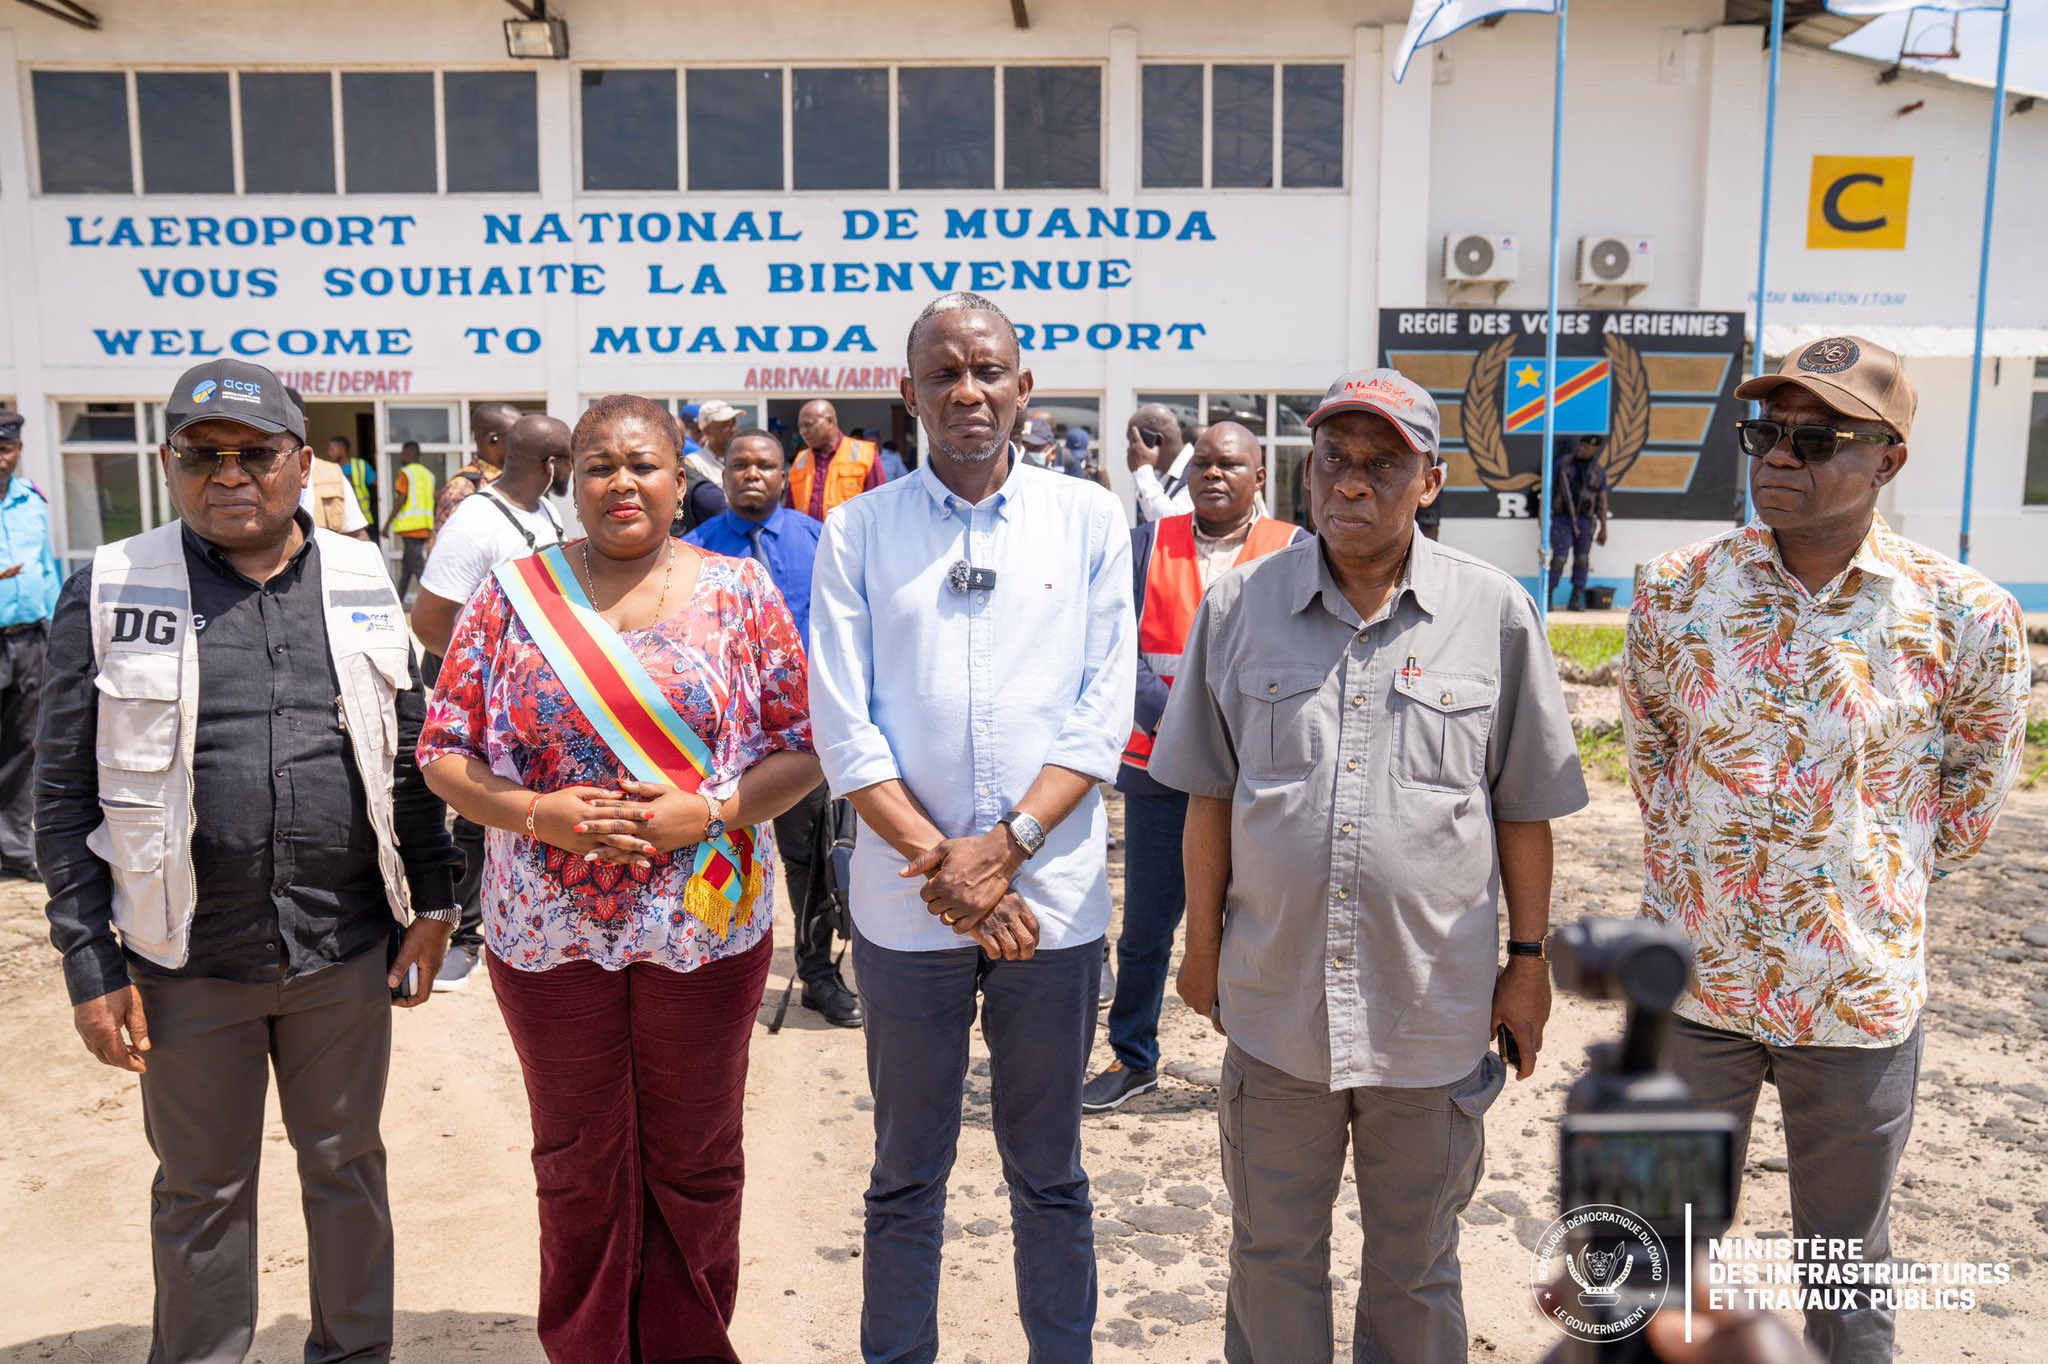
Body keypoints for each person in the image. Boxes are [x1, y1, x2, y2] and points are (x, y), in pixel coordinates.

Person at [1151, 366, 1586, 1364]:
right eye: (1332, 461)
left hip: (1430, 1011)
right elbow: (1208, 795)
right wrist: (1199, 943)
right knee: (1269, 1250)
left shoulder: (1494, 613)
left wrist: (1528, 957)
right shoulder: (1238, 608)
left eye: (1378, 464)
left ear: (1428, 481)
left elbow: (1522, 806)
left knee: (1414, 1259)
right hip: (1273, 999)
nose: (1349, 484)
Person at [34, 358, 460, 1364]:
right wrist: (90, 967)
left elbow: (405, 758)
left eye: (254, 453)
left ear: (301, 462)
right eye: (201, 455)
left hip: (343, 951)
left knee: (348, 1169)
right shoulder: (107, 585)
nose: (228, 474)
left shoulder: (364, 576)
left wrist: (433, 904)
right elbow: (58, 797)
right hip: (182, 959)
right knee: (200, 1191)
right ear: (171, 465)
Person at [1622, 336, 2031, 1364]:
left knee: (1843, 1269)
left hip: (1852, 999)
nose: (1778, 459)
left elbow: (1968, 802)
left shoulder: (1963, 613)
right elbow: (1653, 762)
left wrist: (1854, 886)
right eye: (1764, 433)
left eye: (1814, 439)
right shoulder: (1674, 591)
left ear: (1886, 460)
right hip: (1693, 990)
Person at [420, 393, 819, 1363]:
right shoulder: (512, 595)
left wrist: (714, 809)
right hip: (546, 930)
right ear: (572, 479)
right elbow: (443, 747)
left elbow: (804, 745)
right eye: (599, 464)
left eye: (642, 463)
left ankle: (686, 1344)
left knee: (695, 1158)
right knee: (577, 1159)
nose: (620, 481)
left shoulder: (739, 593)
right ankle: (590, 1344)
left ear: (681, 480)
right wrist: (532, 812)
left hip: (704, 927)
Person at [812, 292, 1134, 1361]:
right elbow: (842, 722)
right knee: (906, 1167)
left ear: (1022, 387)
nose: (966, 390)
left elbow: (1100, 711)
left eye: (987, 370)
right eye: (942, 373)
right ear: (907, 394)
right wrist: (939, 865)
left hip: (1049, 901)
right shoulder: (858, 528)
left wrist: (1005, 853)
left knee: (1049, 1169)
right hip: (908, 913)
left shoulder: (1086, 519)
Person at [1083, 422, 1308, 1113]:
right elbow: (1115, 649)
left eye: (1230, 465)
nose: (1213, 475)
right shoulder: (1149, 542)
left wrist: (1239, 734)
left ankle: (1262, 1063)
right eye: (1202, 464)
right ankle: (1134, 1057)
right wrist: (1184, 727)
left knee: (1262, 927)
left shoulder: (1296, 549)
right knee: (1147, 927)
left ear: (1259, 476)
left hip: (1259, 777)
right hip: (1161, 771)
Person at [684, 429, 857, 1026]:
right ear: (723, 474)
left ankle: (816, 974)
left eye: (765, 465)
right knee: (718, 849)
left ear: (786, 475)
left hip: (800, 739)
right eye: (740, 465)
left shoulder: (818, 543)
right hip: (720, 741)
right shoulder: (692, 549)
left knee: (809, 859)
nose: (752, 474)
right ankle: (715, 973)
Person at [411, 413, 571, 991]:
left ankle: (505, 914)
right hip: (483, 696)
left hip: (528, 701)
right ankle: (463, 934)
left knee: (515, 810)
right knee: (473, 812)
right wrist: (490, 679)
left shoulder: (544, 512)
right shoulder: (477, 520)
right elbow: (429, 620)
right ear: (553, 465)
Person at [1, 408, 60, 882]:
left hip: (29, 639)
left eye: (8, 449)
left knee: (25, 745)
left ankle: (16, 848)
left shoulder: (31, 500)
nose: (2, 458)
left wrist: (62, 628)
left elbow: (47, 566)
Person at [788, 398, 886, 521]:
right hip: (808, 538)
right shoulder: (800, 459)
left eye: (808, 425)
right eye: (800, 427)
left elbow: (879, 506)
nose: (803, 432)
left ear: (830, 421)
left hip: (849, 537)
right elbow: (790, 510)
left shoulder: (865, 454)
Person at [433, 400, 521, 532]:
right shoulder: (462, 489)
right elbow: (446, 549)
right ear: (493, 439)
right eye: (517, 436)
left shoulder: (514, 480)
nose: (524, 442)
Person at [1549, 434, 1609, 610]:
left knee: (1582, 559)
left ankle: (1576, 598)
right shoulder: (1563, 464)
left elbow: (1603, 502)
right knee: (1559, 558)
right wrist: (1542, 515)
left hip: (1585, 520)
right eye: (1581, 446)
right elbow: (1548, 488)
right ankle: (1548, 597)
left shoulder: (1598, 472)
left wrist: (1604, 529)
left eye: (1586, 448)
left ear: (1594, 450)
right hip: (1562, 518)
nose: (1581, 450)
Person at [384, 439, 437, 599]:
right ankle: (398, 600)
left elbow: (401, 498)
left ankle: (432, 600)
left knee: (417, 566)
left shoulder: (405, 473)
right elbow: (437, 498)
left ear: (406, 455)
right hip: (424, 526)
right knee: (407, 567)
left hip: (410, 527)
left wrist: (387, 524)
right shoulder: (429, 475)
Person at [1127, 403, 1195, 521]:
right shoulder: (1162, 476)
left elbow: (1171, 523)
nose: (1131, 450)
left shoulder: (1198, 469)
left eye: (1134, 442)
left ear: (1157, 441)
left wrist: (1143, 468)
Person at [331, 435, 377, 529]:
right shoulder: (330, 468)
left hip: (361, 517)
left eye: (331, 450)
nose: (329, 453)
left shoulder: (361, 465)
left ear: (342, 450)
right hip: (339, 519)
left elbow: (380, 485)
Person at [698, 398, 741, 464]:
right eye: (725, 425)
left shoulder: (746, 457)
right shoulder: (695, 464)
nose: (733, 429)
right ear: (707, 431)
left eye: (733, 422)